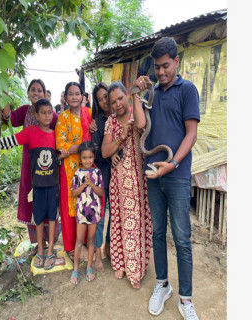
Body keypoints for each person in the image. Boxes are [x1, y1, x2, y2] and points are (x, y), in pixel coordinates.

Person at [133, 37, 200, 320]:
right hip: (152, 172)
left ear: (176, 61)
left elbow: (191, 134)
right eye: (157, 68)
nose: (161, 73)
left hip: (177, 175)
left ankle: (186, 298)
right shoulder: (152, 94)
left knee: (182, 239)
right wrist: (137, 93)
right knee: (158, 233)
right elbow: (139, 125)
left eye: (165, 66)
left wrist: (171, 163)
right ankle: (163, 284)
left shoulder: (188, 90)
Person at [0, 99, 68, 269]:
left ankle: (50, 251)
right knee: (39, 219)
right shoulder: (30, 132)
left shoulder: (56, 134)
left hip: (53, 185)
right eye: (43, 113)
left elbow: (56, 159)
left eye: (50, 112)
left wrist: (61, 156)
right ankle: (40, 250)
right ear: (36, 114)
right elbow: (9, 141)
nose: (47, 116)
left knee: (52, 217)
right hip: (38, 187)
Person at [101, 81, 151, 289]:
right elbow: (105, 152)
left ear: (127, 96)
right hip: (118, 182)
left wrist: (135, 96)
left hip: (138, 180)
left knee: (135, 223)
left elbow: (140, 125)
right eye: (113, 102)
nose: (117, 104)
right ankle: (120, 263)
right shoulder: (111, 122)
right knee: (120, 221)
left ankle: (135, 270)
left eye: (120, 98)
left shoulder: (136, 111)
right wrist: (120, 137)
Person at [1, 79, 59, 251]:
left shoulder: (50, 114)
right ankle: (38, 243)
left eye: (39, 90)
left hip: (49, 169)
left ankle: (50, 243)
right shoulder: (24, 111)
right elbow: (9, 119)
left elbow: (61, 132)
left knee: (49, 202)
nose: (36, 93)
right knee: (32, 202)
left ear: (44, 93)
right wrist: (4, 97)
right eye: (33, 89)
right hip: (29, 166)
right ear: (28, 93)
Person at [55, 82, 92, 260]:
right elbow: (61, 145)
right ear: (66, 97)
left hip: (88, 168)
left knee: (87, 202)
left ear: (83, 96)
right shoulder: (63, 117)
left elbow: (95, 134)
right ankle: (70, 246)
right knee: (70, 205)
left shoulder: (89, 114)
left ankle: (85, 241)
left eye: (78, 93)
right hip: (70, 170)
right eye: (71, 94)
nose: (75, 97)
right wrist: (84, 148)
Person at [69, 141, 104, 284]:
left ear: (94, 157)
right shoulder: (77, 173)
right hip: (82, 212)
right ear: (80, 158)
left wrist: (92, 185)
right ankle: (75, 269)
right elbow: (73, 193)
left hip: (94, 211)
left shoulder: (97, 172)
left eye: (90, 157)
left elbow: (101, 192)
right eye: (84, 157)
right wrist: (84, 184)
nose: (87, 160)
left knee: (91, 240)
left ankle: (89, 267)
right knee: (79, 241)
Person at [89, 82, 114, 272]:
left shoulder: (121, 116)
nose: (105, 101)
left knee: (116, 215)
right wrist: (111, 152)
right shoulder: (97, 123)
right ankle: (98, 253)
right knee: (100, 215)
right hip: (103, 175)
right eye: (100, 99)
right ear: (97, 102)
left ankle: (109, 246)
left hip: (121, 174)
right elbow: (99, 154)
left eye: (106, 95)